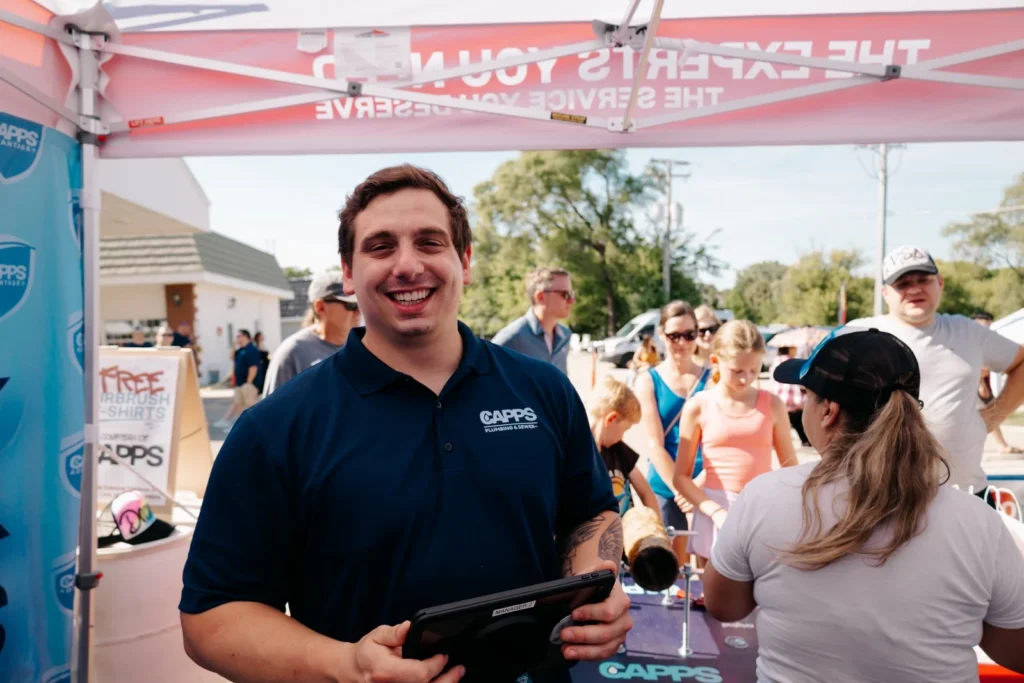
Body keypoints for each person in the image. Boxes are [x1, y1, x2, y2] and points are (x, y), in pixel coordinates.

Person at [179, 165, 631, 683]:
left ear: (464, 260)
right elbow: (210, 620)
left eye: (429, 242)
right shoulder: (275, 428)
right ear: (349, 274)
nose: (408, 265)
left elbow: (589, 511)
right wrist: (347, 667)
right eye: (380, 247)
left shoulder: (545, 391)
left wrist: (597, 581)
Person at [702, 328, 1024, 681]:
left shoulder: (763, 498)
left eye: (808, 395)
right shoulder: (977, 522)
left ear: (828, 411)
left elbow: (724, 606)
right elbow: (1015, 649)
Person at [848, 245, 1024, 499]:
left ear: (940, 283)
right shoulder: (857, 334)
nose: (914, 289)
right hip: (886, 498)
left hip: (966, 493)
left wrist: (992, 417)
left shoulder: (967, 331)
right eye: (902, 283)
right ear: (885, 292)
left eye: (923, 279)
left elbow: (1021, 363)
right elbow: (817, 399)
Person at [673, 320, 798, 563]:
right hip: (714, 510)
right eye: (737, 371)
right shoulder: (698, 406)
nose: (746, 378)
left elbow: (790, 468)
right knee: (712, 586)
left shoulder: (772, 404)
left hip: (760, 509)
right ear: (715, 361)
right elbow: (681, 477)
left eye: (753, 370)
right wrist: (714, 511)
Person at [632, 301, 711, 564]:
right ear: (661, 334)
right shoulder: (648, 380)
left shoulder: (713, 379)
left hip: (706, 484)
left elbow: (721, 441)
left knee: (707, 570)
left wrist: (697, 487)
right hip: (666, 488)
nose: (682, 342)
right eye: (674, 335)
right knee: (671, 569)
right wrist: (682, 491)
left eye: (689, 334)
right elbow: (654, 444)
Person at [262, 271, 362, 396]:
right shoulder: (292, 353)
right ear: (320, 307)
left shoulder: (362, 349)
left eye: (360, 304)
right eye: (351, 305)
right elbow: (275, 407)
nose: (358, 312)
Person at [587, 376, 662, 520]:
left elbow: (645, 492)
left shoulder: (619, 450)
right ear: (612, 419)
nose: (622, 437)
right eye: (625, 429)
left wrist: (657, 525)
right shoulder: (580, 455)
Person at [490, 267, 574, 373]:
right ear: (540, 297)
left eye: (572, 294)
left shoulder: (565, 335)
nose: (572, 300)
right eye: (565, 294)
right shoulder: (512, 336)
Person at [973, 311, 1022, 455]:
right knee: (988, 413)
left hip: (981, 383)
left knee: (990, 413)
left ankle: (1001, 444)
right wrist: (981, 384)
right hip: (975, 384)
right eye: (983, 326)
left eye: (988, 326)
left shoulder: (988, 340)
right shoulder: (969, 339)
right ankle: (1001, 445)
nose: (987, 329)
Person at [213, 329, 260, 429]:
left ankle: (254, 426)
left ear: (246, 337)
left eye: (239, 336)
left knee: (250, 405)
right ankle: (239, 426)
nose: (238, 338)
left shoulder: (251, 349)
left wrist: (249, 382)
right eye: (237, 336)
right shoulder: (240, 350)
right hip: (239, 383)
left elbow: (253, 367)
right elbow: (231, 357)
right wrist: (234, 346)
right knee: (239, 405)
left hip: (248, 384)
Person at [768, 346, 810, 447]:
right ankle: (806, 441)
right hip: (793, 401)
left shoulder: (775, 362)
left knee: (778, 426)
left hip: (779, 400)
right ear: (789, 349)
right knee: (799, 424)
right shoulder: (792, 362)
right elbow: (796, 384)